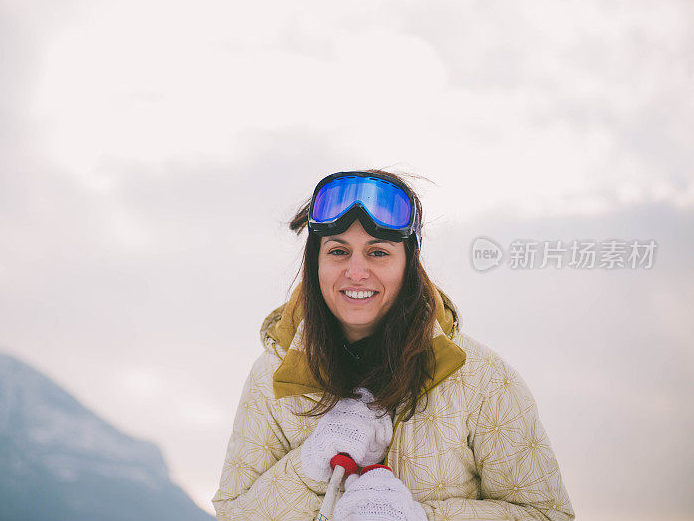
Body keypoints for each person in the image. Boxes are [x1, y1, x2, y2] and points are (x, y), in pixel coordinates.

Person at [212, 170, 574, 520]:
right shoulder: (272, 377)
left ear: (409, 264)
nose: (356, 272)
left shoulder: (483, 380)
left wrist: (419, 518)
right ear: (315, 263)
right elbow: (232, 514)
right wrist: (309, 468)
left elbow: (547, 514)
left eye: (378, 253)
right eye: (338, 251)